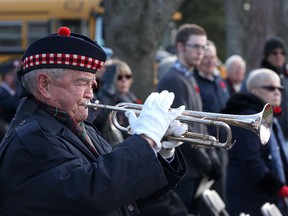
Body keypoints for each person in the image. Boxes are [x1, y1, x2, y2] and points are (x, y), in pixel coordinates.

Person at [0, 27, 188, 216]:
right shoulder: (30, 140)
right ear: (45, 85)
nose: (90, 94)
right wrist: (146, 139)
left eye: (92, 84)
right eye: (82, 83)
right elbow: (90, 194)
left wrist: (159, 152)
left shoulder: (80, 126)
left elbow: (121, 192)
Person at [157, 23, 222, 215]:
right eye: (195, 46)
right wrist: (207, 163)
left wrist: (211, 156)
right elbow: (182, 128)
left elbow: (200, 123)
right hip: (184, 168)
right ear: (180, 47)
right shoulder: (173, 79)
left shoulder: (188, 77)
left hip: (195, 168)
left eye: (203, 47)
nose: (200, 52)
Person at [222, 68, 288, 216]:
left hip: (265, 195)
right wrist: (278, 188)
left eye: (280, 88)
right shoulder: (248, 115)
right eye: (270, 88)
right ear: (254, 90)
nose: (277, 92)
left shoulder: (272, 118)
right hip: (249, 197)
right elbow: (251, 159)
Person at [194, 40, 229, 203]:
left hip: (223, 146)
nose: (210, 61)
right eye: (206, 57)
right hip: (207, 148)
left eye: (213, 57)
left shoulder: (220, 80)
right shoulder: (195, 81)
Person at [93, 59, 142, 146]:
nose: (124, 80)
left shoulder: (131, 98)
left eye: (127, 76)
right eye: (119, 77)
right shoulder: (103, 98)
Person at [260, 37, 288, 140]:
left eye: (282, 53)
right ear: (267, 55)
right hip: (269, 134)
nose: (279, 56)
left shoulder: (285, 77)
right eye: (274, 53)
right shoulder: (260, 76)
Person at [0, 59, 21, 140]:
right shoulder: (2, 93)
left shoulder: (14, 92)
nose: (15, 78)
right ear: (5, 76)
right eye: (12, 74)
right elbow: (15, 106)